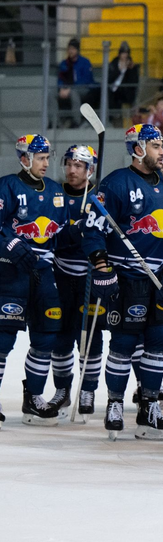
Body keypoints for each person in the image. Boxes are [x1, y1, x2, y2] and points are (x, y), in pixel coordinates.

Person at [82, 124, 163, 441]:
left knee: (159, 341)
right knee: (123, 343)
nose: (161, 150)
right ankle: (114, 404)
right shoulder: (115, 183)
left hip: (161, 278)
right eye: (155, 145)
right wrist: (101, 265)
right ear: (138, 149)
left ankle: (149, 406)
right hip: (127, 276)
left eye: (162, 145)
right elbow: (93, 227)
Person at [0, 135, 71, 426]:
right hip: (11, 272)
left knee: (46, 335)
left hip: (43, 273)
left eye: (46, 157)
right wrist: (11, 245)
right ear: (24, 158)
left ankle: (34, 398)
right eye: (40, 157)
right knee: (3, 338)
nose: (45, 163)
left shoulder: (56, 191)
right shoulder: (7, 186)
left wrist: (84, 229)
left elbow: (63, 232)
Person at [49, 146, 102, 420]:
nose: (72, 170)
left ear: (89, 169)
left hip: (90, 276)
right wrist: (74, 230)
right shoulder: (55, 195)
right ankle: (62, 389)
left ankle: (88, 389)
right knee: (61, 335)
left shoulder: (99, 198)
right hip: (60, 274)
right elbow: (51, 235)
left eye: (79, 165)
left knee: (90, 338)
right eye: (69, 164)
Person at [57, 38, 98, 129]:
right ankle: (55, 122)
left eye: (73, 49)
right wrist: (61, 89)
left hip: (83, 89)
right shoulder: (64, 63)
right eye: (69, 49)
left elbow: (86, 80)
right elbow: (60, 78)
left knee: (73, 93)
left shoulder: (85, 62)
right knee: (52, 94)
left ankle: (76, 121)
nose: (70, 51)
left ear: (77, 50)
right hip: (66, 89)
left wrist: (70, 89)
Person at [108, 42, 140, 122]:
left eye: (126, 53)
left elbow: (134, 83)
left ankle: (117, 116)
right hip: (113, 89)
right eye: (123, 53)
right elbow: (109, 79)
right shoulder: (114, 64)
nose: (124, 56)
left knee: (119, 95)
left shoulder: (132, 66)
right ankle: (111, 117)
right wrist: (119, 71)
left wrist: (131, 70)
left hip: (125, 91)